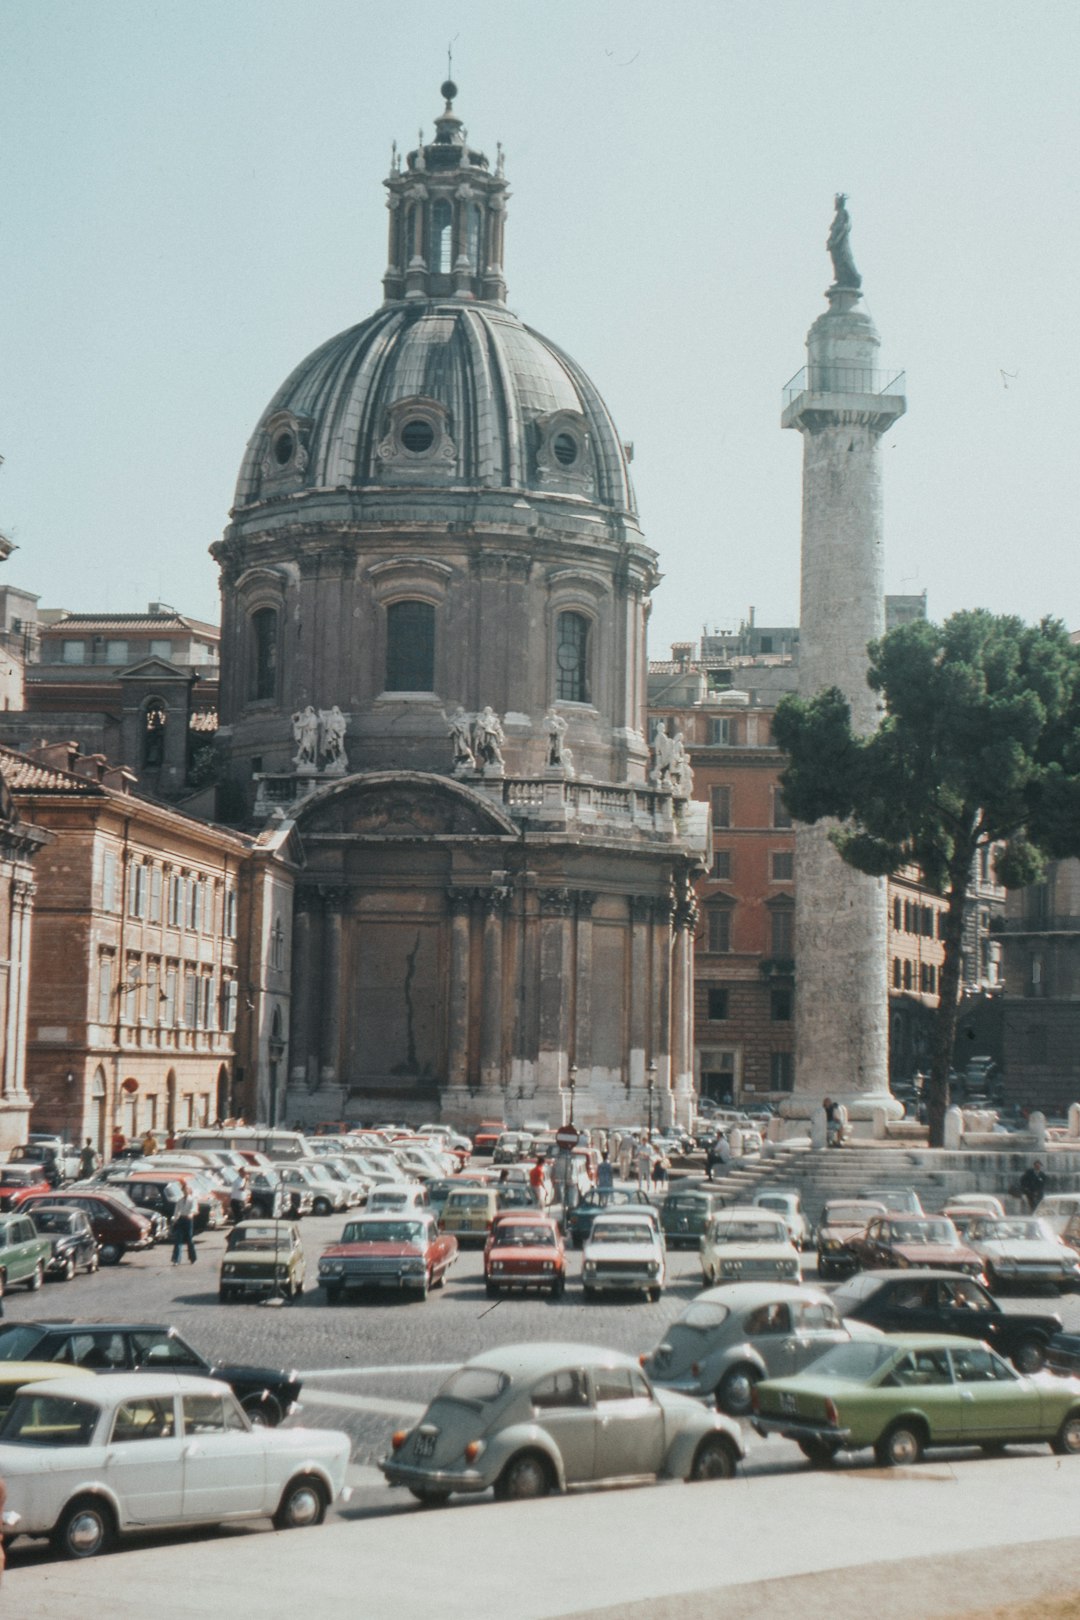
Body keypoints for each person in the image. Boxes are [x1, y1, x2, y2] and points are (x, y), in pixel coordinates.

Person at [171, 1186, 199, 1264]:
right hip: (181, 1219)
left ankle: (192, 1258)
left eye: (186, 1190)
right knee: (178, 1239)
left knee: (189, 1239)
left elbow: (195, 1209)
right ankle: (176, 1259)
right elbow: (176, 1211)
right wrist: (175, 1219)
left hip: (188, 1220)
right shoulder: (180, 1200)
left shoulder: (192, 1200)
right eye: (183, 1191)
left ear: (189, 1191)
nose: (185, 1192)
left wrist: (191, 1214)